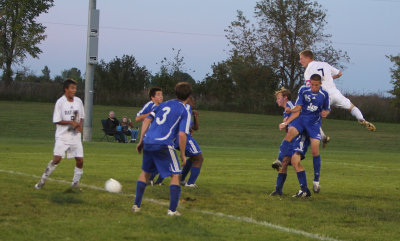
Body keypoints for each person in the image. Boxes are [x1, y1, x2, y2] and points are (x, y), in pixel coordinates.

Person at [132, 82, 192, 216]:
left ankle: (136, 205)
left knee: (145, 172)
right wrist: (182, 155)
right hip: (163, 144)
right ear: (189, 95)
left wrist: (141, 140)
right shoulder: (185, 110)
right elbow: (182, 134)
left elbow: (147, 120)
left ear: (175, 93)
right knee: (176, 174)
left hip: (148, 142)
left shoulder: (163, 104)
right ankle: (172, 210)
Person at [299, 49, 376, 147]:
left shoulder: (308, 70)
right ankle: (361, 118)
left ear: (308, 58)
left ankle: (324, 138)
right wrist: (330, 79)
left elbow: (311, 86)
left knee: (311, 118)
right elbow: (340, 73)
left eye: (301, 59)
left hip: (323, 96)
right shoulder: (325, 64)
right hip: (335, 93)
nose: (300, 61)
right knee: (351, 107)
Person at [278, 74, 331, 196]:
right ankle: (279, 160)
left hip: (314, 125)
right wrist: (290, 113)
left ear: (320, 84)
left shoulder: (324, 94)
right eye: (311, 84)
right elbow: (298, 108)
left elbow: (327, 108)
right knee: (290, 134)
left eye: (316, 85)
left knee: (314, 151)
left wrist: (326, 113)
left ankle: (316, 181)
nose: (313, 87)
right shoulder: (303, 90)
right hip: (302, 121)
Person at [34, 79, 85, 190]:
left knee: (80, 160)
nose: (74, 90)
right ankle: (42, 181)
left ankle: (75, 184)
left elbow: (81, 117)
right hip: (62, 136)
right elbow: (56, 120)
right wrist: (71, 123)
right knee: (57, 159)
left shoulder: (78, 101)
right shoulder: (60, 102)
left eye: (75, 88)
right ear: (66, 89)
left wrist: (79, 125)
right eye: (72, 88)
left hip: (75, 136)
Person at [270, 88, 310, 196]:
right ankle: (278, 190)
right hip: (293, 138)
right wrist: (285, 125)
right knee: (285, 162)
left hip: (301, 135)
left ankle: (305, 190)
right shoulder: (285, 111)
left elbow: (298, 112)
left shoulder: (290, 104)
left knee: (294, 161)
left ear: (285, 98)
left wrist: (285, 123)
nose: (277, 100)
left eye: (278, 98)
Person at [136, 87, 164, 185]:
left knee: (159, 160)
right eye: (158, 95)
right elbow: (138, 118)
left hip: (161, 137)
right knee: (160, 160)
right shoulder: (149, 105)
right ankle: (150, 180)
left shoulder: (165, 107)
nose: (161, 97)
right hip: (150, 137)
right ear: (152, 97)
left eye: (162, 94)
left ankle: (153, 181)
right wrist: (151, 114)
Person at [177, 96, 204, 188]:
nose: (194, 102)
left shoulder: (185, 110)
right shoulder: (185, 109)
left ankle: (181, 180)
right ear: (187, 100)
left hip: (178, 137)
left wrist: (195, 117)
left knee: (193, 158)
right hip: (184, 137)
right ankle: (190, 183)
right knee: (199, 158)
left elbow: (195, 128)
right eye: (192, 100)